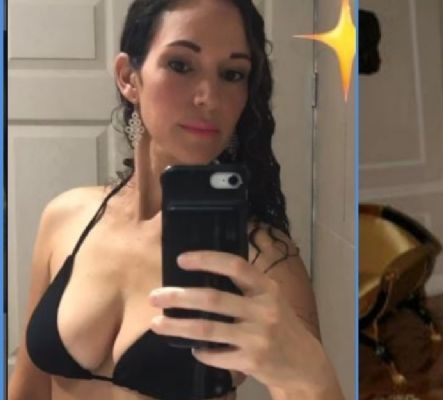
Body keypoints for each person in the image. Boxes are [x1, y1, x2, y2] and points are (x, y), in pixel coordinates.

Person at [9, 1, 343, 399]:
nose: (209, 98)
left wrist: (312, 377)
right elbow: (28, 387)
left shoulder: (262, 260)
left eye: (232, 74)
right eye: (181, 65)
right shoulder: (66, 217)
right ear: (129, 78)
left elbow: (305, 386)